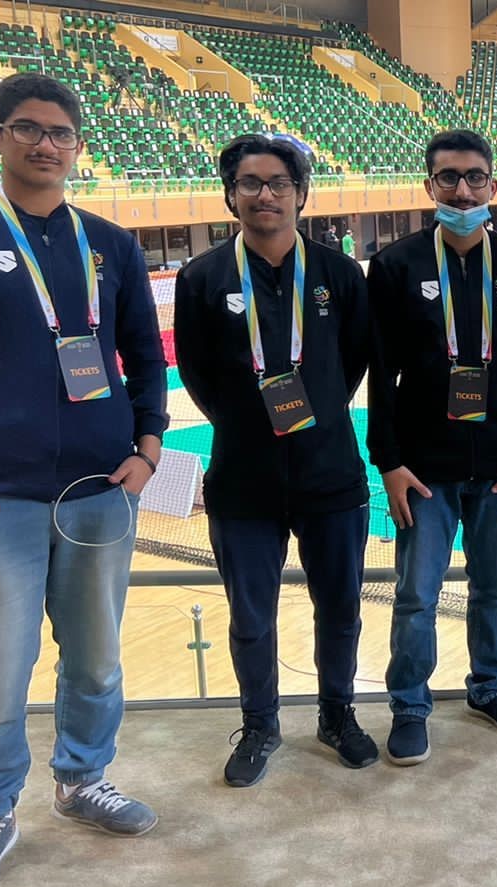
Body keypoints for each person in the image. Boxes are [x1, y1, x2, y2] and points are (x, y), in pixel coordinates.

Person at [0, 72, 167, 887]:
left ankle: (82, 778)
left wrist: (148, 447)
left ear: (78, 146)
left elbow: (144, 352)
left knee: (96, 660)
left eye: (60, 132)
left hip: (100, 490)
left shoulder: (110, 243)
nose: (45, 144)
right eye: (27, 127)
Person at [174, 134, 376, 788]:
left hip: (330, 474)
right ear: (230, 195)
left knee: (340, 608)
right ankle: (260, 725)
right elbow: (197, 373)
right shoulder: (202, 278)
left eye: (279, 183)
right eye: (251, 183)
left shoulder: (339, 275)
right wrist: (246, 422)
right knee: (251, 617)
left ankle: (337, 715)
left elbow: (353, 361)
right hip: (243, 480)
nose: (266, 194)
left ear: (300, 194)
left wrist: (315, 412)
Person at [366, 130, 497, 765]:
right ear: (430, 186)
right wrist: (390, 462)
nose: (463, 190)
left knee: (495, 590)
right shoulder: (396, 266)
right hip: (423, 469)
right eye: (448, 177)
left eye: (475, 177)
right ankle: (409, 705)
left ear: (493, 186)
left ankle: (490, 689)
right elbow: (381, 376)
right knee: (416, 596)